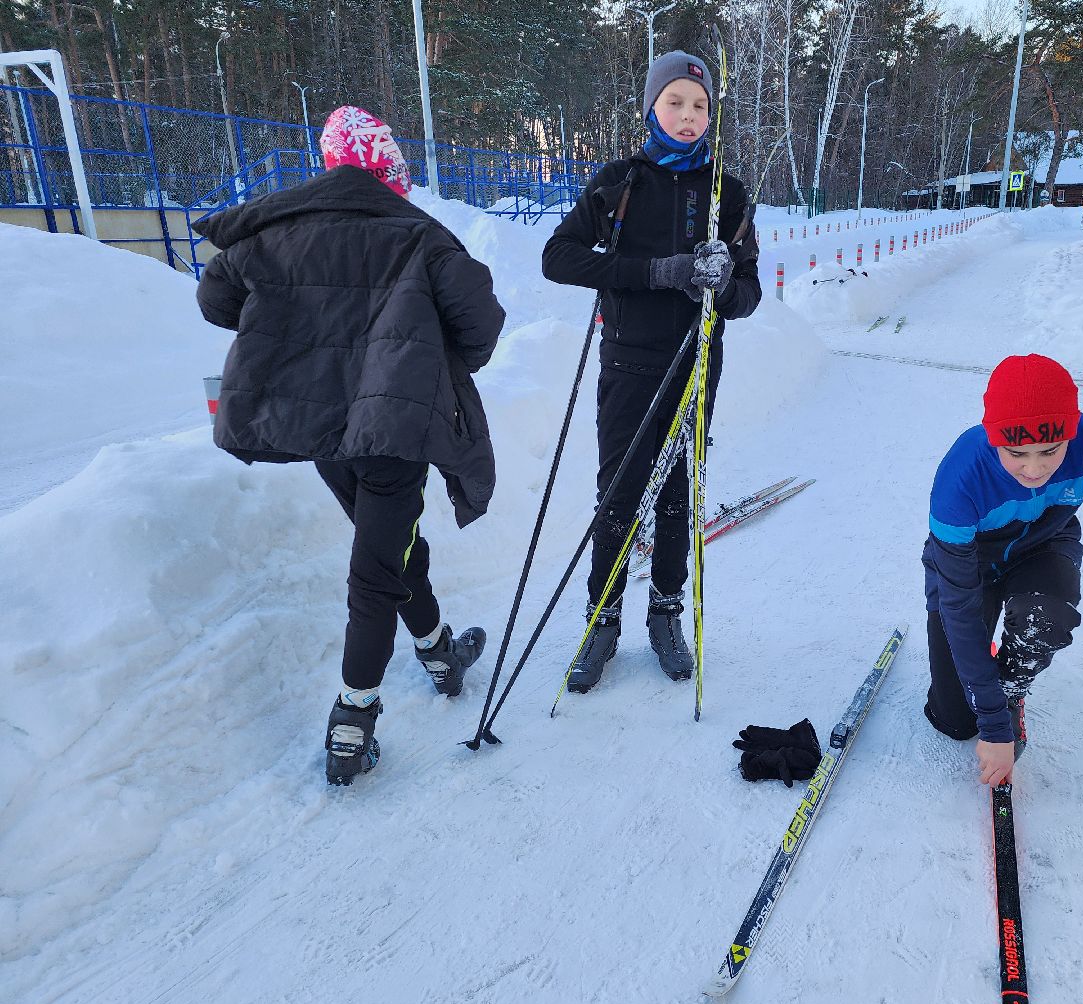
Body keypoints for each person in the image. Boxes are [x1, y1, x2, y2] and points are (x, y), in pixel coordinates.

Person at [194, 105, 506, 785]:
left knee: (387, 548)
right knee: (376, 568)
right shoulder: (418, 234)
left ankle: (438, 653)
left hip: (323, 428)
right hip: (392, 429)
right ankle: (353, 717)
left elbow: (215, 300)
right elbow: (480, 321)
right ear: (387, 169)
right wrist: (431, 360)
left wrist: (295, 324)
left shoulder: (279, 230)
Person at [542, 49, 761, 692]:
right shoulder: (620, 182)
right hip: (629, 364)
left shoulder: (727, 193)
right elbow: (559, 257)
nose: (688, 115)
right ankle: (602, 619)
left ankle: (666, 613)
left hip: (696, 363)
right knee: (619, 494)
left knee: (677, 495)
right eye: (675, 102)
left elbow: (748, 296)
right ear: (651, 107)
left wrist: (723, 284)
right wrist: (655, 274)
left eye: (700, 106)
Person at [923, 354, 1083, 786]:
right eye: (1016, 452)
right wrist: (993, 728)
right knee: (956, 722)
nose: (1035, 468)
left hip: (1043, 549)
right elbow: (959, 607)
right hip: (971, 567)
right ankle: (984, 680)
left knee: (1045, 618)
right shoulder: (960, 479)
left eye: (1050, 450)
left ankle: (1010, 684)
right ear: (993, 438)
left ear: (1070, 434)